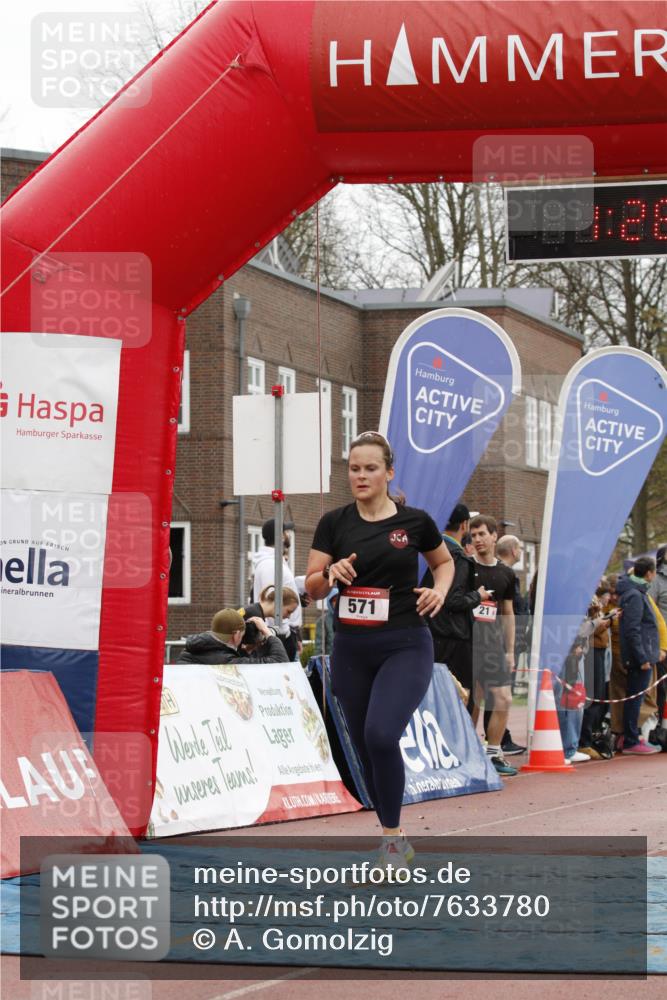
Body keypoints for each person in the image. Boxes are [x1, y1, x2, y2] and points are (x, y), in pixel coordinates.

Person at [305, 430, 454, 871]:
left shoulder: (415, 522)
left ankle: (390, 844)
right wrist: (331, 572)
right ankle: (396, 836)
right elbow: (311, 587)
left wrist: (439, 591)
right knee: (368, 749)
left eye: (371, 468)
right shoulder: (335, 522)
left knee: (381, 734)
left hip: (405, 642)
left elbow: (443, 562)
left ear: (389, 473)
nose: (361, 476)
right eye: (354, 469)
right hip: (352, 647)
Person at [421, 502, 490, 716]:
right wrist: (479, 595)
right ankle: (459, 745)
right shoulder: (456, 556)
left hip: (428, 631)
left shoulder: (427, 550)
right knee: (461, 696)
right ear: (465, 525)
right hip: (453, 637)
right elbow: (453, 600)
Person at [468, 515, 518, 776]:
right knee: (473, 699)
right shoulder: (464, 567)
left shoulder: (506, 573)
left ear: (494, 536)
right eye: (473, 536)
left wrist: (509, 651)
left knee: (503, 698)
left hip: (493, 646)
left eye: (481, 534)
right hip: (467, 643)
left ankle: (493, 753)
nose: (477, 540)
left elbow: (508, 613)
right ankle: (468, 753)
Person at [616, 557, 662, 755]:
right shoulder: (635, 595)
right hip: (638, 658)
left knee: (635, 697)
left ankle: (631, 737)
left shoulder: (637, 592)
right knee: (634, 698)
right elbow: (632, 630)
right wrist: (642, 658)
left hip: (643, 653)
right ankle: (630, 740)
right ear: (649, 573)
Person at [491, 534, 529, 754]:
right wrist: (511, 648)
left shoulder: (503, 573)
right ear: (514, 551)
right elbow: (510, 612)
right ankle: (499, 740)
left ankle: (499, 738)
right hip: (500, 643)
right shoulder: (506, 575)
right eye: (521, 548)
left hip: (501, 642)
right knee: (500, 694)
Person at [252, 519, 302, 660]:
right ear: (280, 535)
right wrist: (283, 634)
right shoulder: (271, 564)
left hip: (283, 634)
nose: (288, 535)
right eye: (286, 532)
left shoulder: (274, 562)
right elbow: (272, 601)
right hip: (279, 637)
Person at [177, 608, 288, 665]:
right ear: (236, 635)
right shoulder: (227, 662)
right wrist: (267, 632)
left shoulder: (190, 651)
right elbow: (280, 664)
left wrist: (247, 651)